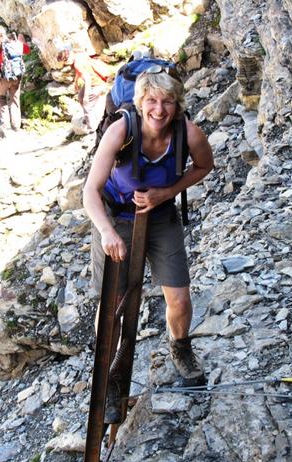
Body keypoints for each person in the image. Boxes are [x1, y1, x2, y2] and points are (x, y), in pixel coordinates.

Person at [83, 69, 214, 422]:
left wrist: (167, 193)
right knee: (113, 305)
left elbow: (205, 165)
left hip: (161, 217)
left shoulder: (188, 133)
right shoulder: (121, 131)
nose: (159, 109)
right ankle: (109, 377)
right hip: (115, 218)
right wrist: (107, 232)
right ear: (140, 103)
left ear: (177, 104)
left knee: (179, 297)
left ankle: (180, 349)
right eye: (152, 101)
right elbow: (90, 191)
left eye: (167, 101)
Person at [57, 46, 112, 133]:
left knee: (87, 105)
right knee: (80, 97)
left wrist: (86, 97)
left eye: (65, 62)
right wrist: (76, 81)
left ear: (67, 59)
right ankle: (89, 118)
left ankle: (92, 128)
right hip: (97, 79)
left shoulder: (77, 64)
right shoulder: (78, 55)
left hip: (96, 84)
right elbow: (82, 71)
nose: (65, 64)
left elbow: (88, 79)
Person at [0, 25, 29, 131]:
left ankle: (6, 124)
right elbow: (27, 50)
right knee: (15, 99)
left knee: (1, 97)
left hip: (4, 78)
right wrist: (22, 40)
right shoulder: (15, 42)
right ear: (5, 33)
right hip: (17, 76)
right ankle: (16, 125)